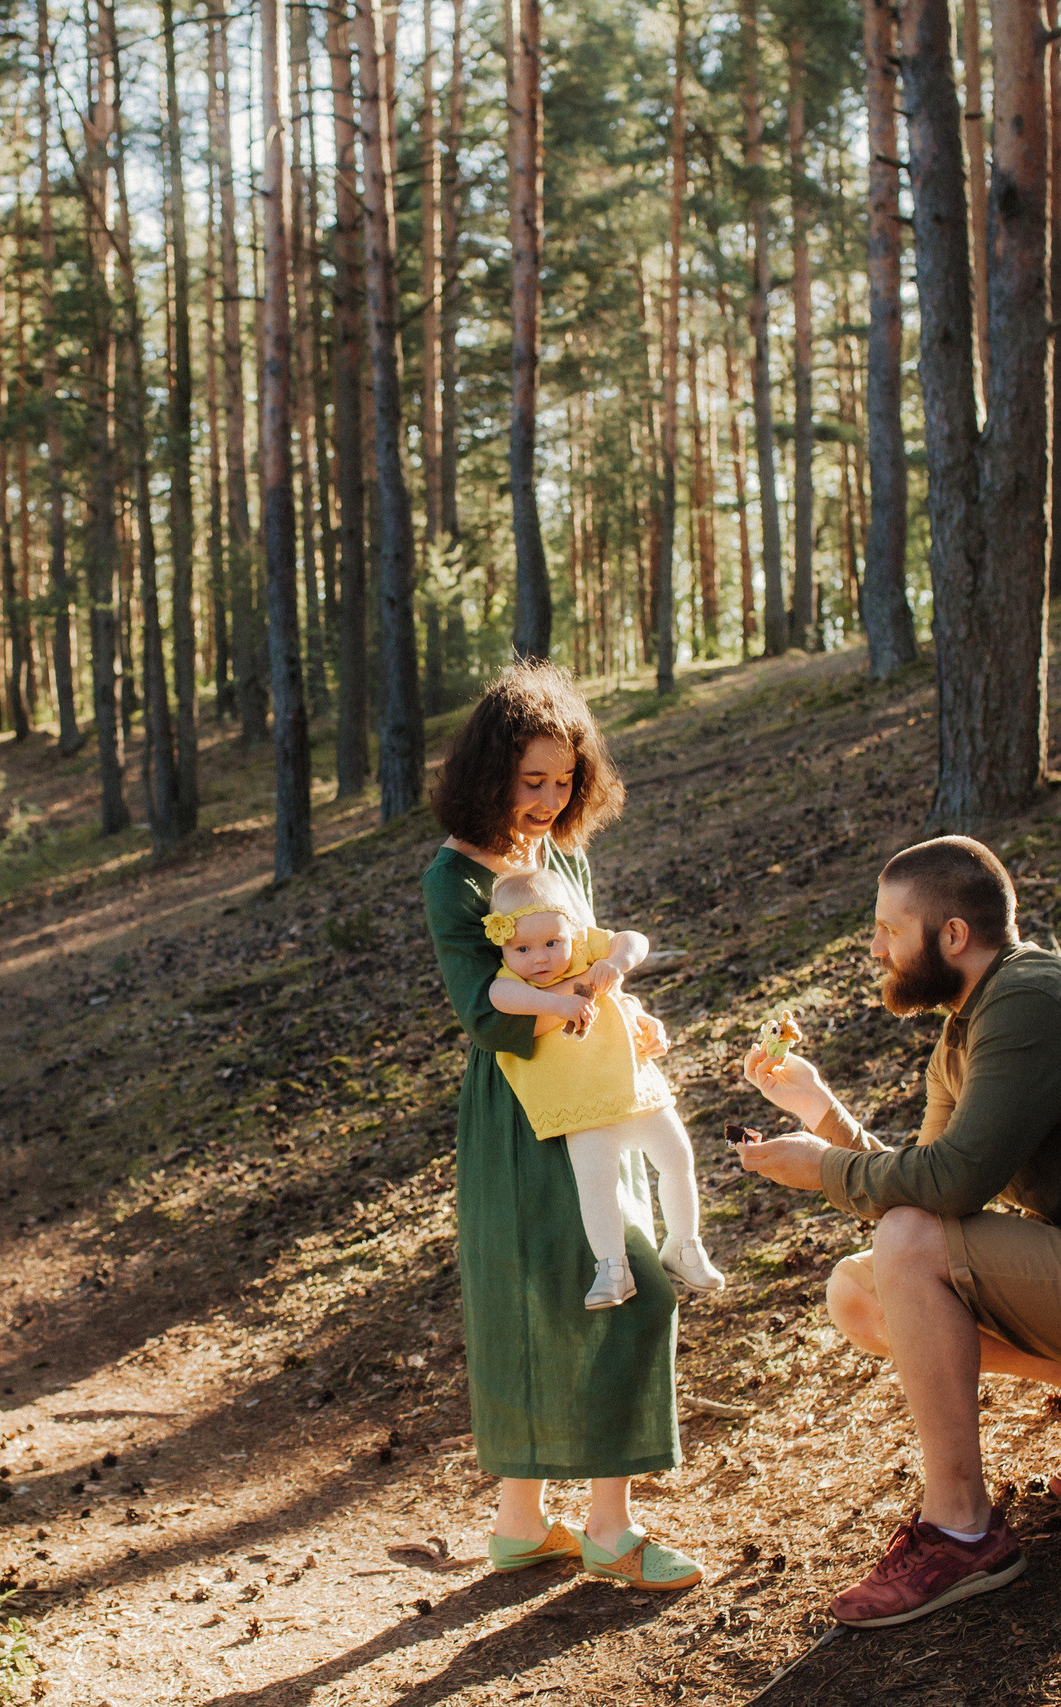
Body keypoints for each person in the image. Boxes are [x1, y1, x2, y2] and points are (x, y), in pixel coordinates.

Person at [735, 835, 1061, 1629]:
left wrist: (821, 1169)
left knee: (904, 1245)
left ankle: (961, 1527)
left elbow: (946, 1190)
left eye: (887, 930)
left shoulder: (1027, 1002)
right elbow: (929, 1185)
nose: (874, 948)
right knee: (860, 1290)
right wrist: (818, 1112)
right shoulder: (964, 1035)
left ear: (951, 936)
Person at [421, 661, 704, 1593]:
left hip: (598, 1100)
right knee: (535, 1294)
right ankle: (568, 1529)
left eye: (563, 780)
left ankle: (560, 1522)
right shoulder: (455, 879)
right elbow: (484, 1010)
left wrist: (631, 1015)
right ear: (489, 770)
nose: (547, 800)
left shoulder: (569, 857)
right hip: (514, 1110)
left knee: (625, 1285)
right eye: (529, 780)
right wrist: (579, 997)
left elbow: (592, 968)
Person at [482, 865, 725, 1310]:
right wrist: (557, 1003)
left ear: (571, 931)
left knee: (677, 1157)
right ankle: (613, 1267)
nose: (540, 958)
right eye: (522, 948)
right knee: (596, 1184)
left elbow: (634, 939)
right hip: (581, 1107)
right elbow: (499, 999)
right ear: (502, 944)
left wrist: (614, 963)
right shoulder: (514, 983)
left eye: (552, 942)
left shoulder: (585, 953)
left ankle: (685, 1244)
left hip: (634, 1086)